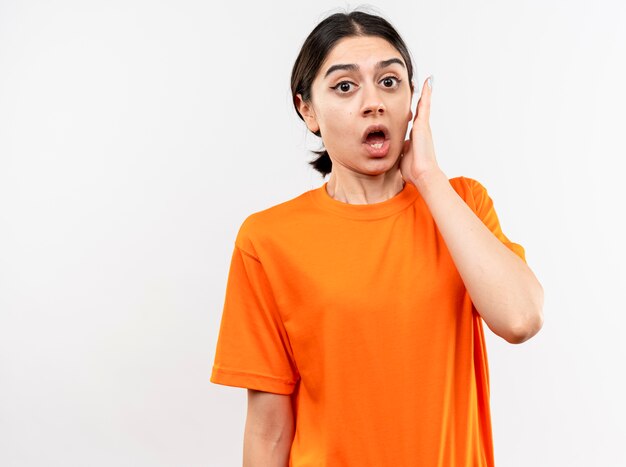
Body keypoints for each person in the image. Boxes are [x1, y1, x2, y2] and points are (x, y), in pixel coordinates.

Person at [210, 8, 544, 466]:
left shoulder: (460, 203)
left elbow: (521, 319)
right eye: (345, 86)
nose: (373, 102)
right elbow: (268, 433)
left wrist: (428, 177)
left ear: (412, 99)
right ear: (307, 109)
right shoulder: (268, 240)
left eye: (389, 81)